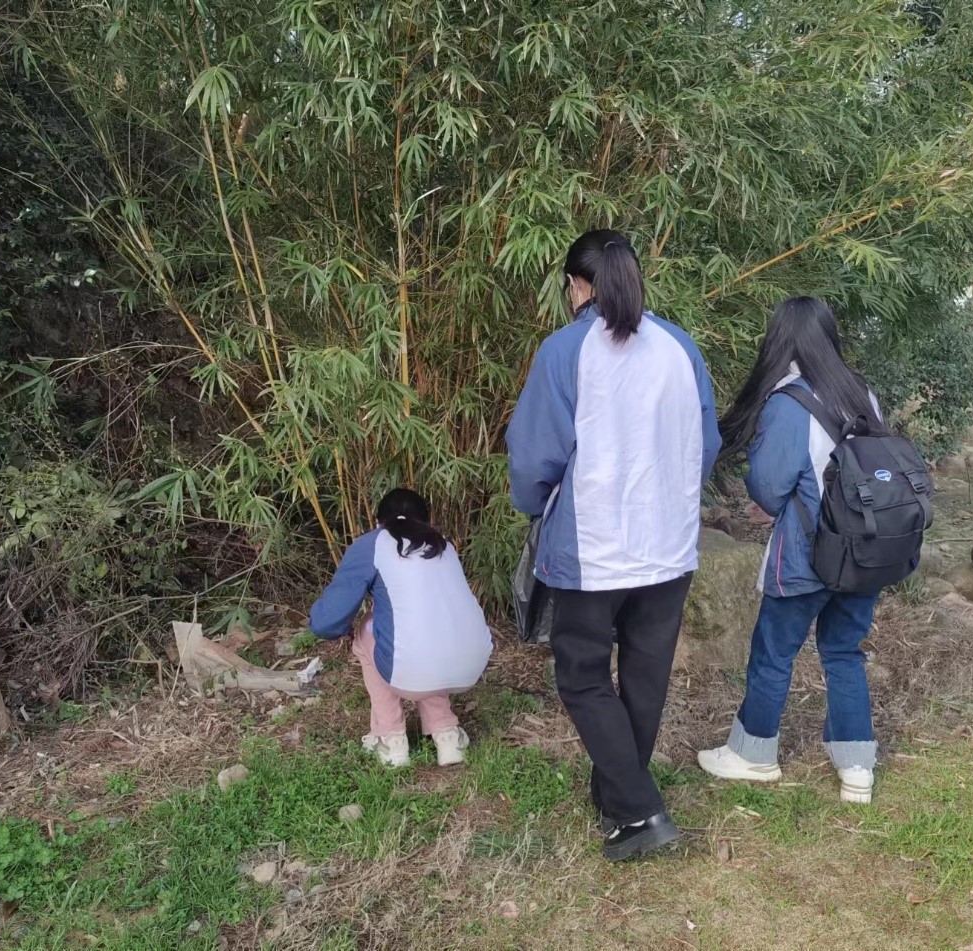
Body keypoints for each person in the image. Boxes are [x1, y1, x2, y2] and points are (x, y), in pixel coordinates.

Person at [507, 229, 720, 861]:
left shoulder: (564, 350)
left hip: (593, 547)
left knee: (581, 676)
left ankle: (639, 810)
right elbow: (706, 444)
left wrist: (535, 505)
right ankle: (617, 798)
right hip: (670, 544)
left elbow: (534, 456)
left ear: (577, 286)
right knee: (645, 678)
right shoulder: (680, 345)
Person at [697, 296, 886, 804]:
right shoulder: (862, 392)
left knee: (773, 652)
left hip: (809, 552)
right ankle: (857, 767)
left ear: (781, 341)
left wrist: (766, 498)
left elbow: (769, 486)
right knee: (843, 652)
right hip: (865, 552)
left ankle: (754, 754)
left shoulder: (789, 402)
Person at [309, 488, 492, 768]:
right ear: (427, 521)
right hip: (472, 662)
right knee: (426, 627)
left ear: (379, 521)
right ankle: (447, 734)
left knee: (367, 631)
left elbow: (328, 620)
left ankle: (391, 738)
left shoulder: (373, 543)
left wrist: (335, 628)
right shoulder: (443, 545)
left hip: (411, 669)